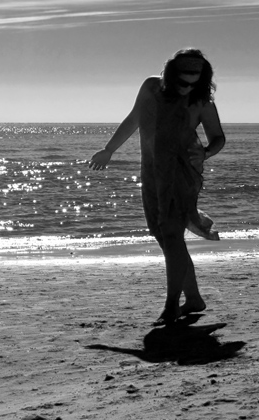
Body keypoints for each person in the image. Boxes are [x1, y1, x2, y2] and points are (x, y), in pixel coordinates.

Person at [90, 49, 225, 325]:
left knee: (172, 235)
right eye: (182, 82)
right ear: (171, 74)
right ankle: (194, 298)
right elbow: (134, 118)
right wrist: (109, 150)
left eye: (193, 83)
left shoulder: (201, 101)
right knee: (164, 236)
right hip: (152, 172)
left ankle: (171, 305)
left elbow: (218, 138)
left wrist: (206, 153)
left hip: (180, 174)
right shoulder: (152, 87)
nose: (187, 88)